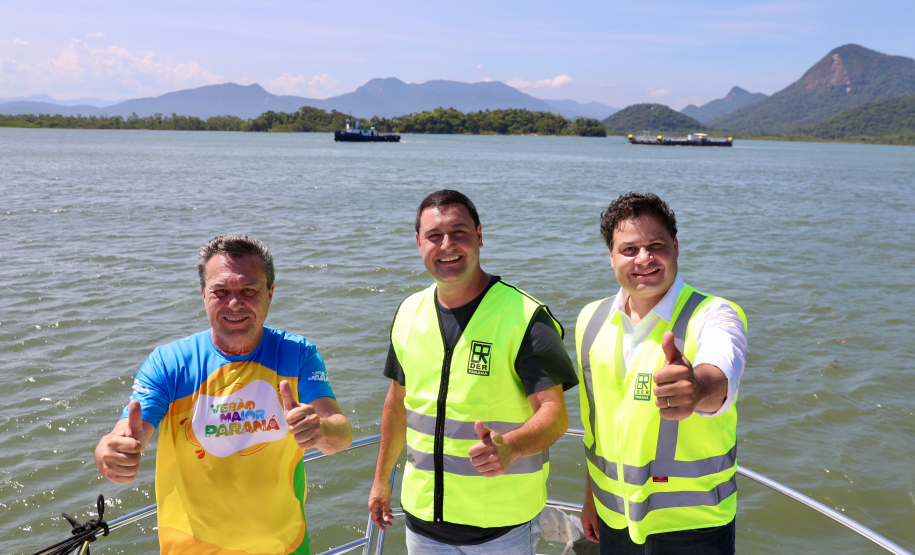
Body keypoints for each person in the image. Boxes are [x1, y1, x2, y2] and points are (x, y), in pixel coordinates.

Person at [94, 234, 353, 555]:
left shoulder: (298, 354)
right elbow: (126, 433)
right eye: (221, 291)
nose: (235, 303)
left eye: (249, 290)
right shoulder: (170, 363)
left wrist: (321, 429)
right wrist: (113, 453)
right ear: (203, 294)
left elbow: (340, 435)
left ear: (270, 294)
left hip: (287, 547)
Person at [368, 190, 579, 554]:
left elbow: (556, 415)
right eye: (434, 236)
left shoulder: (525, 317)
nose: (447, 245)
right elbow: (397, 404)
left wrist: (511, 447)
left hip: (502, 532)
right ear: (418, 242)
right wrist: (381, 481)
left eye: (459, 232)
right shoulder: (409, 313)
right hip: (421, 527)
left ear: (479, 235)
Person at [577, 193, 747, 555]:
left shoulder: (714, 315)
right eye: (629, 249)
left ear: (676, 247)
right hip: (613, 518)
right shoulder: (590, 320)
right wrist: (591, 496)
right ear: (610, 256)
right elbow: (598, 425)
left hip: (693, 525)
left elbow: (720, 374)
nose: (644, 259)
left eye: (656, 246)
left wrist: (697, 389)